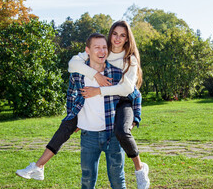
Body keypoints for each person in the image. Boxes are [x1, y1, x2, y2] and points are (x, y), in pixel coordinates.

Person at [16, 33, 126, 188]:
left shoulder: (116, 73)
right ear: (87, 50)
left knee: (117, 181)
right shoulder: (78, 74)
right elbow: (70, 94)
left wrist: (134, 119)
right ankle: (39, 166)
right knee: (87, 181)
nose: (102, 51)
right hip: (88, 136)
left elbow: (132, 94)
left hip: (112, 135)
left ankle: (38, 166)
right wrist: (73, 115)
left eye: (104, 47)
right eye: (97, 48)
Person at [68, 20, 150, 189]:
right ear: (110, 34)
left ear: (127, 39)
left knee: (121, 132)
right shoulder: (104, 51)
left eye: (122, 35)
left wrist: (98, 91)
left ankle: (140, 168)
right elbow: (73, 64)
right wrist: (95, 75)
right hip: (107, 107)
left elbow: (128, 89)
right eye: (115, 34)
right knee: (88, 176)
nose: (117, 38)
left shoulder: (130, 59)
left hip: (124, 101)